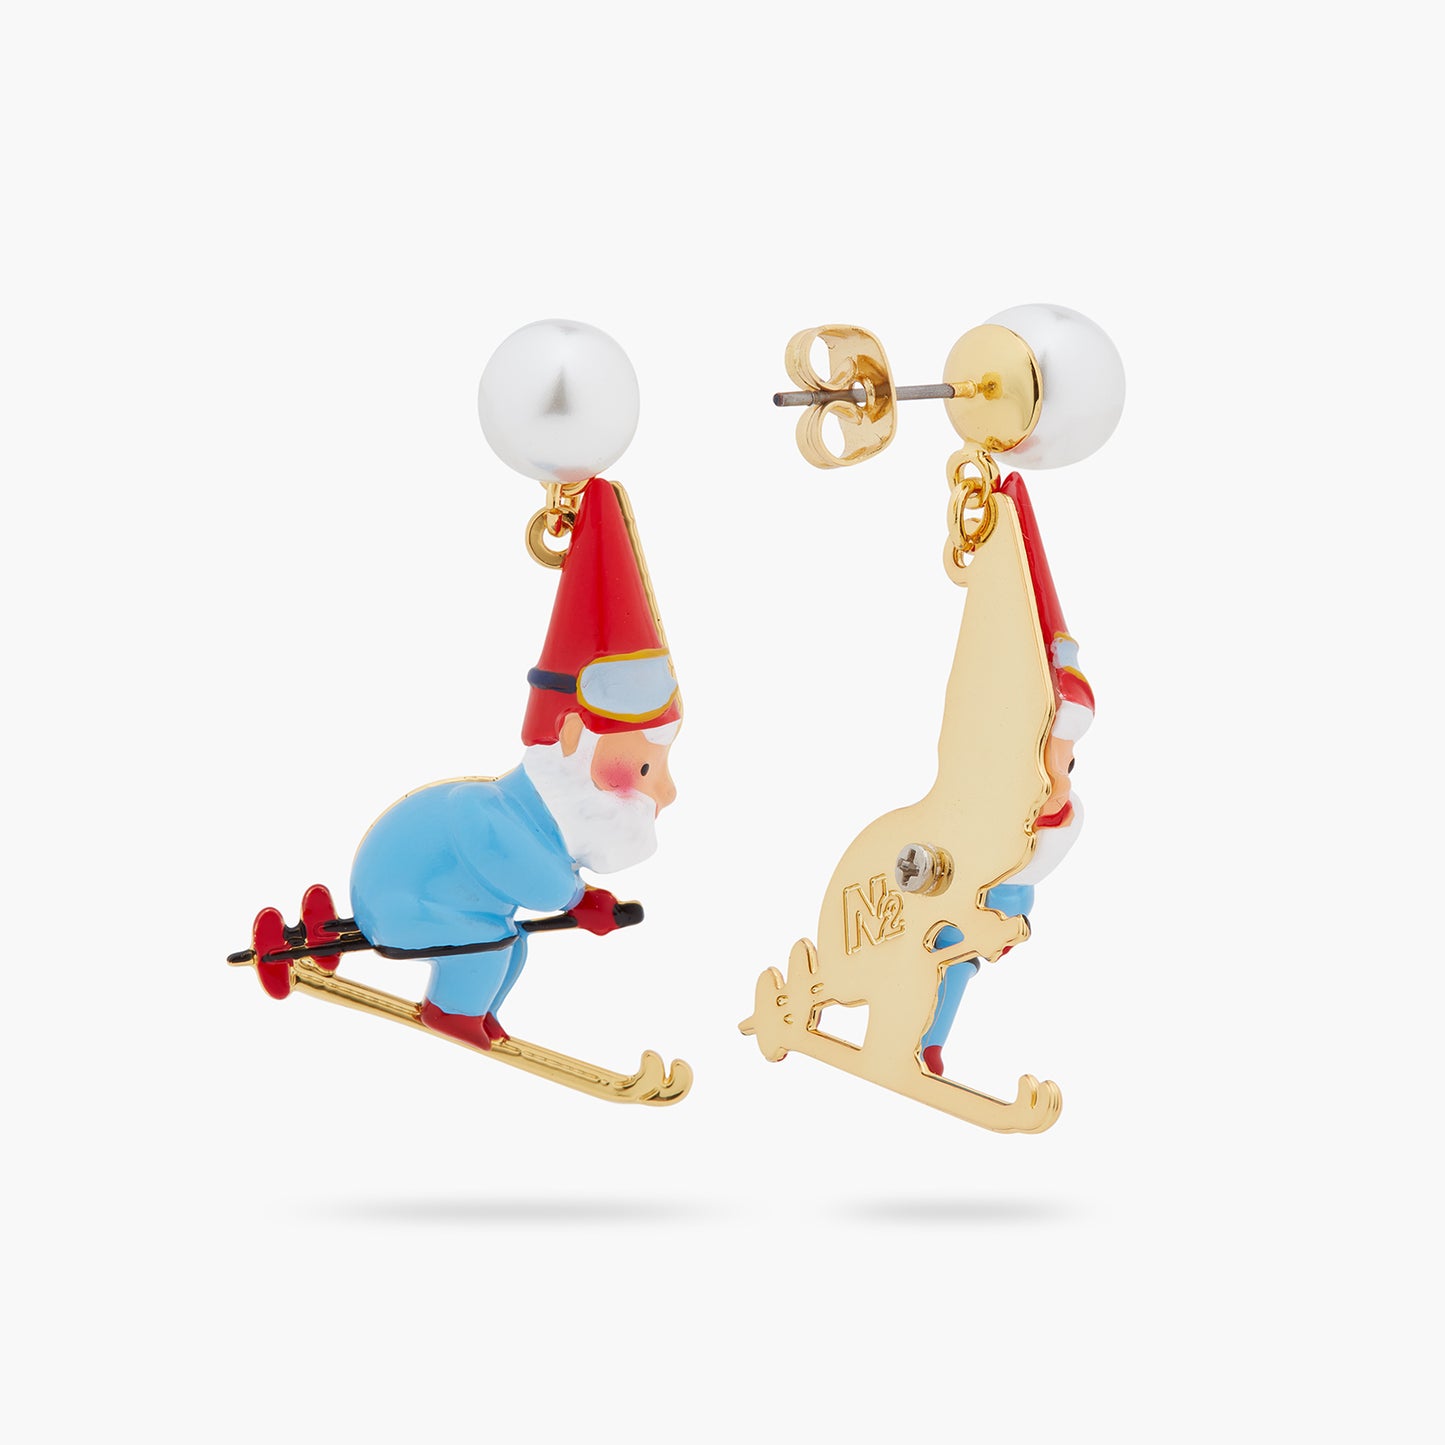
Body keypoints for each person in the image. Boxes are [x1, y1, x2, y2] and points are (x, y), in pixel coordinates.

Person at [349, 477, 680, 1050]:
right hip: (406, 903)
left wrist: (578, 900)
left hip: (450, 906)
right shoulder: (492, 808)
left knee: (512, 942)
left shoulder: (542, 820)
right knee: (489, 945)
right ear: (572, 737)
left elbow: (536, 873)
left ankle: (480, 1012)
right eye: (646, 771)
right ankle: (451, 1012)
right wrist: (575, 900)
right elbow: (514, 860)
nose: (666, 793)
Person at [920, 472, 1093, 1077]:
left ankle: (926, 1043)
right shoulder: (975, 804)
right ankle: (923, 1042)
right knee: (947, 954)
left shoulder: (1039, 825)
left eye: (1069, 762)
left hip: (985, 908)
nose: (1060, 781)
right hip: (948, 903)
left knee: (958, 960)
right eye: (1048, 759)